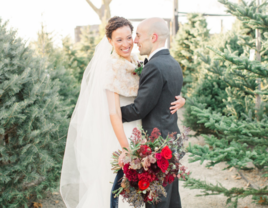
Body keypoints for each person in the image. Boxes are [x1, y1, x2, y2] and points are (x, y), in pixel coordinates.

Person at [60, 16, 184, 208]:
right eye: (119, 40)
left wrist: (180, 99)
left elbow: (155, 91)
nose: (127, 43)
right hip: (122, 135)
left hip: (141, 133)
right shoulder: (110, 67)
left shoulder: (138, 61)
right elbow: (113, 113)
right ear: (109, 41)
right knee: (123, 191)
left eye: (129, 37)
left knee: (144, 192)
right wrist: (127, 149)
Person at [112, 17, 183, 208]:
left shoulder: (154, 66)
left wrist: (111, 112)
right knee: (171, 199)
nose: (135, 40)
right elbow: (167, 95)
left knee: (157, 202)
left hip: (158, 146)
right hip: (171, 140)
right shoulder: (173, 63)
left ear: (153, 37)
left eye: (138, 35)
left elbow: (138, 109)